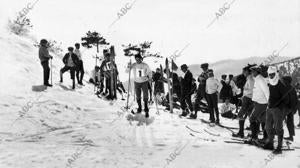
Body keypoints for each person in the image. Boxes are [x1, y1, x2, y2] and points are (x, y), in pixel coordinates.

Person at [263, 66, 290, 154]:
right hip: (269, 108)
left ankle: (279, 147)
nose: (271, 76)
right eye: (269, 74)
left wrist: (279, 107)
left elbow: (286, 99)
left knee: (278, 128)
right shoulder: (270, 82)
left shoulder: (280, 84)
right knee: (268, 126)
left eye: (272, 74)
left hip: (277, 109)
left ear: (276, 73)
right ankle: (271, 143)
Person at [246, 65, 269, 144]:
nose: (251, 73)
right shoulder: (258, 79)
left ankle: (254, 137)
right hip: (260, 103)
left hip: (261, 103)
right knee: (263, 120)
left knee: (252, 118)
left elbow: (266, 91)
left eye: (253, 71)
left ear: (256, 72)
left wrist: (269, 103)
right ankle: (266, 137)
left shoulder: (260, 80)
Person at [232, 64, 255, 138]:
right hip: (248, 99)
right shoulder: (249, 78)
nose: (243, 73)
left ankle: (241, 133)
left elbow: (252, 90)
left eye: (244, 72)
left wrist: (244, 94)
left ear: (248, 72)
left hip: (248, 99)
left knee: (241, 115)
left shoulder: (250, 79)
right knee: (250, 116)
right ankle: (253, 134)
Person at [282, 76, 298, 141]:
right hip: (292, 108)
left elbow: (285, 99)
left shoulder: (286, 88)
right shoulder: (292, 88)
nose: (283, 81)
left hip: (287, 108)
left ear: (287, 81)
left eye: (284, 80)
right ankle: (291, 137)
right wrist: (294, 109)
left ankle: (277, 135)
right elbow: (296, 99)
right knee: (290, 122)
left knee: (279, 120)